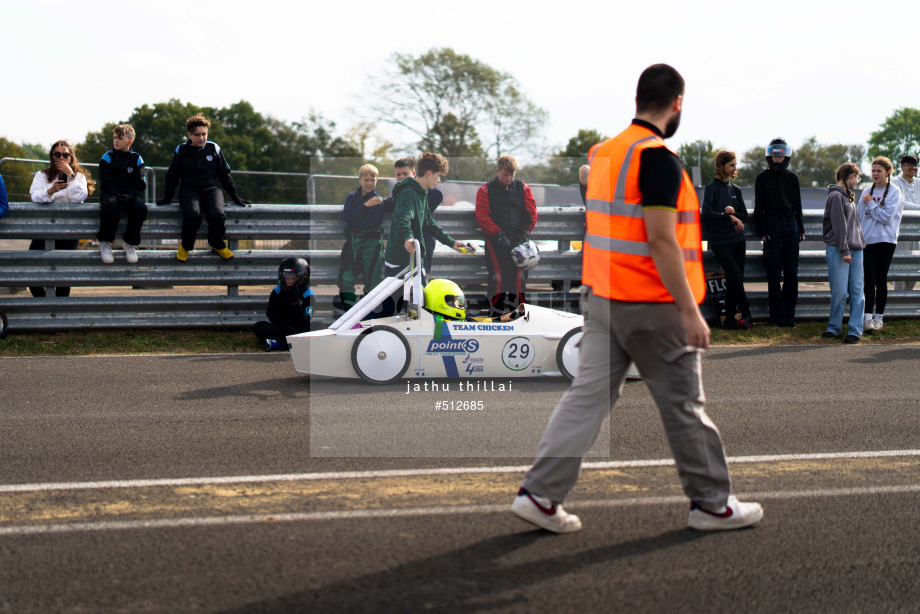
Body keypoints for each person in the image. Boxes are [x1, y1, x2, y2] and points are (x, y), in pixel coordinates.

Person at [510, 64, 762, 534]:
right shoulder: (658, 158)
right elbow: (663, 240)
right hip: (651, 303)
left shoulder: (605, 155)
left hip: (602, 297)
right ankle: (711, 503)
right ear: (677, 104)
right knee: (684, 405)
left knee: (586, 399)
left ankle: (540, 494)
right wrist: (691, 310)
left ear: (637, 99)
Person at [157, 113, 250, 262]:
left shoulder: (214, 148)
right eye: (198, 135)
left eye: (204, 134)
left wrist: (234, 196)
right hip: (189, 189)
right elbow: (172, 175)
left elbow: (224, 175)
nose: (201, 138)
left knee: (217, 215)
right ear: (189, 135)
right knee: (193, 214)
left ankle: (216, 243)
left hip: (211, 188)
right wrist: (167, 197)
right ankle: (186, 246)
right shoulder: (181, 150)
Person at [28, 140, 95, 297]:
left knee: (64, 274)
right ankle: (46, 305)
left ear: (71, 158)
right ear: (52, 156)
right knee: (29, 267)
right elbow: (35, 196)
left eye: (65, 155)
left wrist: (70, 176)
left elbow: (79, 197)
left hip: (69, 229)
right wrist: (50, 191)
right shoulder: (42, 175)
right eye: (57, 154)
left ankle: (59, 311)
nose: (61, 158)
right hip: (45, 228)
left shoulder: (78, 176)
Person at [475, 155, 538, 315]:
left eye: (512, 175)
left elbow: (532, 214)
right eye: (505, 174)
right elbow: (482, 216)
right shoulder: (485, 190)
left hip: (520, 242)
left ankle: (520, 314)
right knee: (497, 278)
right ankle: (496, 314)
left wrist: (524, 234)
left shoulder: (523, 188)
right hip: (495, 240)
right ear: (498, 172)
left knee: (519, 280)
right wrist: (498, 235)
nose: (509, 178)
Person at [754, 137, 803, 327]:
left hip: (790, 225)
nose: (777, 160)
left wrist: (801, 229)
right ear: (769, 156)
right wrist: (763, 232)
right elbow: (759, 209)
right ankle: (777, 317)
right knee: (774, 274)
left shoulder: (792, 178)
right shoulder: (762, 178)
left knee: (791, 273)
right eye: (774, 157)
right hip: (771, 225)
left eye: (780, 157)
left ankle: (789, 316)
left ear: (786, 157)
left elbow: (798, 206)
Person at [701, 150, 751, 329]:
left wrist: (734, 213)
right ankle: (745, 311)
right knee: (734, 275)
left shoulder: (735, 189)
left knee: (734, 279)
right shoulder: (711, 188)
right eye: (731, 165)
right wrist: (727, 216)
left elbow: (743, 214)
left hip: (738, 240)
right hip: (720, 241)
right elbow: (706, 213)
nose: (734, 168)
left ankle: (730, 319)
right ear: (721, 166)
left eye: (735, 165)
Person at [858, 156, 903, 332]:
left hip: (886, 240)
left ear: (888, 172)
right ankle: (867, 317)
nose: (875, 174)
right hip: (868, 241)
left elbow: (886, 218)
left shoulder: (895, 192)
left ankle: (879, 317)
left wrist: (871, 204)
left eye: (879, 171)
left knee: (880, 279)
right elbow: (860, 218)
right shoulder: (866, 191)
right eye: (873, 170)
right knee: (868, 278)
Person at [822, 163, 866, 344]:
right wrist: (844, 250)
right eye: (857, 178)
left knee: (856, 290)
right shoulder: (835, 196)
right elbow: (839, 227)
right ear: (850, 176)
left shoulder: (849, 197)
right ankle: (834, 327)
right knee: (839, 291)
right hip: (841, 250)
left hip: (855, 249)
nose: (857, 182)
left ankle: (855, 330)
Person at [383, 157, 445, 275]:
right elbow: (399, 213)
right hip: (405, 241)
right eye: (398, 174)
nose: (401, 177)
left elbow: (423, 218)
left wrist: (451, 242)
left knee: (421, 277)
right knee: (402, 283)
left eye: (405, 174)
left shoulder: (429, 192)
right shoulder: (404, 193)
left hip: (423, 238)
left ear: (415, 174)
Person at [337, 164, 386, 311]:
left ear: (377, 180)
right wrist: (365, 205)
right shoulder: (351, 197)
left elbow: (369, 222)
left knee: (372, 281)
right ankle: (349, 312)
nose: (369, 183)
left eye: (373, 180)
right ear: (359, 180)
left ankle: (367, 313)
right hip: (352, 244)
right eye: (366, 180)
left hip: (372, 244)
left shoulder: (377, 199)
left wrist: (355, 219)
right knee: (345, 278)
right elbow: (347, 216)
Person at [97, 124, 148, 264]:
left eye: (119, 138)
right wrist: (117, 195)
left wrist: (129, 195)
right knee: (111, 206)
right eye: (114, 138)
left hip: (131, 195)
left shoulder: (137, 159)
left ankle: (130, 244)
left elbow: (140, 182)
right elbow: (105, 181)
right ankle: (105, 242)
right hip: (111, 194)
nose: (116, 141)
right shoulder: (107, 157)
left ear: (129, 142)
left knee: (140, 208)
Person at [253, 257, 314, 351]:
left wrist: (295, 302)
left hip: (299, 327)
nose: (289, 281)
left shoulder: (308, 294)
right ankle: (293, 342)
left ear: (302, 277)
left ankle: (279, 343)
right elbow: (271, 314)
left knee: (316, 326)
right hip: (282, 327)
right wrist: (284, 326)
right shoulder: (277, 291)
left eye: (293, 278)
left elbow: (305, 319)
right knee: (258, 326)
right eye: (286, 277)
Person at [892, 155, 920, 291]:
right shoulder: (895, 182)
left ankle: (907, 299)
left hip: (917, 231)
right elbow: (900, 203)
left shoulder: (919, 182)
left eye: (915, 165)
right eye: (909, 164)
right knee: (900, 266)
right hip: (900, 231)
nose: (913, 168)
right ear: (902, 166)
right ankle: (898, 303)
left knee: (915, 268)